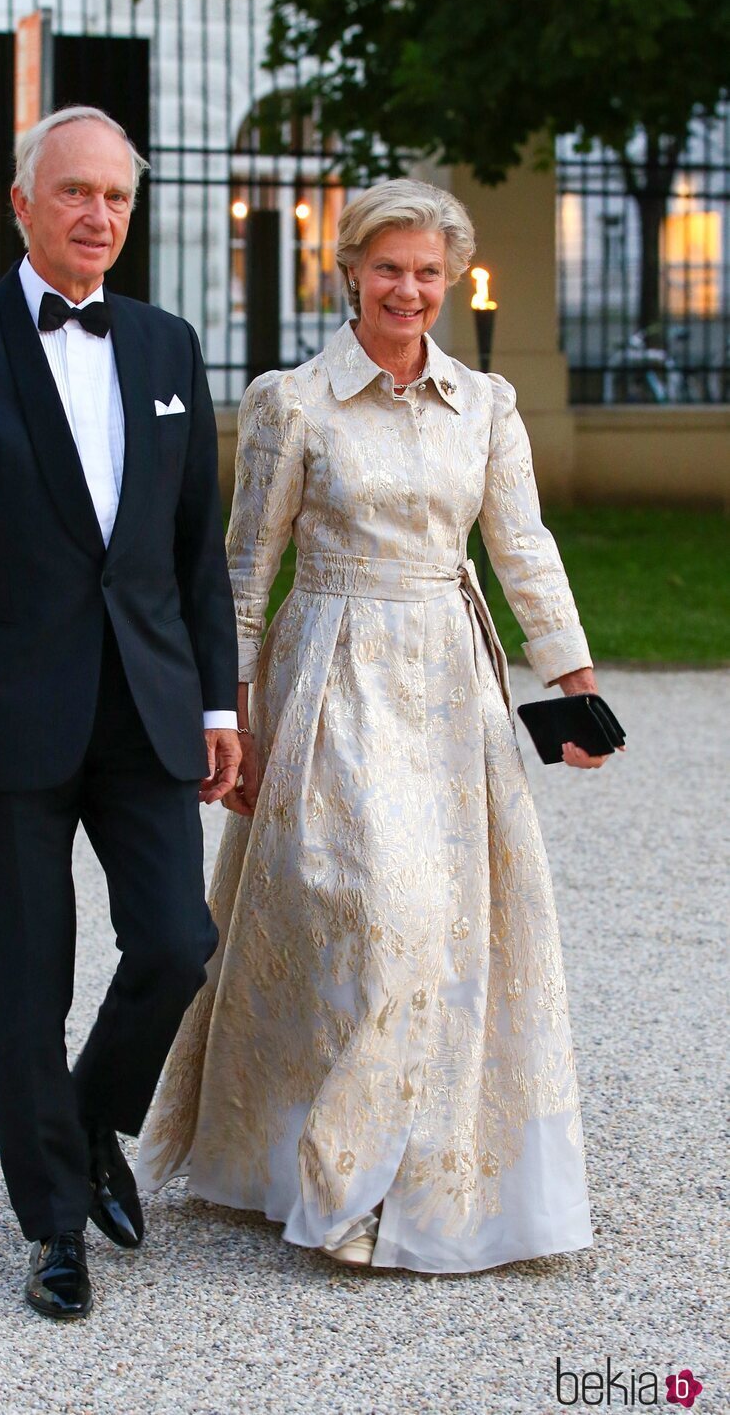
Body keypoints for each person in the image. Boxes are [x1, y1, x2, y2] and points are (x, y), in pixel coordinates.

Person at [138, 179, 616, 1273]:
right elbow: (245, 573)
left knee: (447, 933)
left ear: (450, 282)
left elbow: (522, 548)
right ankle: (336, 1175)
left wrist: (573, 684)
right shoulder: (290, 401)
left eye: (428, 273)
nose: (408, 290)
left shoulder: (485, 403)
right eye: (389, 268)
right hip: (333, 673)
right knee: (372, 917)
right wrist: (234, 716)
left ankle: (409, 1178)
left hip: (450, 683)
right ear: (348, 271)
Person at [0, 105, 241, 1319]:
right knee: (24, 984)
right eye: (73, 192)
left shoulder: (169, 347)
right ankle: (51, 1229)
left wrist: (219, 704)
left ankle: (85, 1123)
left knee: (179, 940)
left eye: (116, 199)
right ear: (19, 204)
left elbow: (194, 558)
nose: (96, 215)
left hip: (146, 710)